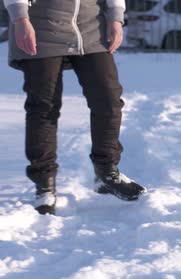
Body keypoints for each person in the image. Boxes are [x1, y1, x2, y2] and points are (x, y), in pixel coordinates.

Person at [4, 0, 146, 215]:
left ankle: (106, 171)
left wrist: (116, 17)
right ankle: (44, 183)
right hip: (41, 26)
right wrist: (20, 18)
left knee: (108, 99)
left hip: (90, 27)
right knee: (44, 106)